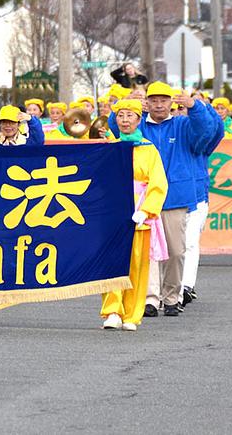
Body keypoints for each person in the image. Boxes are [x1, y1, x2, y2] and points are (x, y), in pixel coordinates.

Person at [138, 82, 213, 317]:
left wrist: (194, 107)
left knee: (177, 251)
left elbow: (206, 132)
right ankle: (150, 298)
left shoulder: (182, 125)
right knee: (148, 251)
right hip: (145, 198)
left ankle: (171, 296)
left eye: (164, 100)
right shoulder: (140, 125)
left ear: (172, 103)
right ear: (147, 103)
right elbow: (117, 126)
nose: (159, 105)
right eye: (154, 100)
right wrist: (129, 105)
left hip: (175, 197)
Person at [100, 99, 167, 332]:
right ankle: (112, 311)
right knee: (111, 265)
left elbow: (158, 184)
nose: (125, 120)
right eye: (121, 116)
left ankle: (132, 314)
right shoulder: (111, 148)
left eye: (130, 116)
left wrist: (146, 210)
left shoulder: (148, 149)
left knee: (137, 266)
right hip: (113, 216)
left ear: (139, 120)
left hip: (138, 215)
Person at [182, 93, 225, 303]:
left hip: (197, 196)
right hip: (164, 197)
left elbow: (213, 129)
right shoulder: (169, 129)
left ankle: (186, 285)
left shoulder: (202, 139)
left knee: (189, 243)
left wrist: (200, 108)